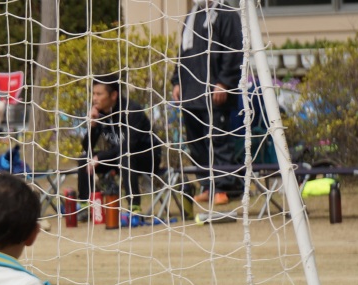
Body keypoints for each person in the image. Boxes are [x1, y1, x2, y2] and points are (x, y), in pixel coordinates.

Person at [172, 0, 244, 206]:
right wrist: (177, 81)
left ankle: (224, 187)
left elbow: (234, 51)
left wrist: (224, 82)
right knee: (196, 144)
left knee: (218, 141)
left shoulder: (227, 14)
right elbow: (183, 53)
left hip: (215, 93)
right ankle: (207, 185)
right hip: (191, 94)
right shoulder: (192, 15)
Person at [76, 73, 164, 220]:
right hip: (119, 156)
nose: (94, 98)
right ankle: (85, 206)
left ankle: (134, 208)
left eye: (99, 94)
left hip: (147, 157)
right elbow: (87, 147)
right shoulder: (100, 113)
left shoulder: (132, 111)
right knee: (85, 159)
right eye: (93, 94)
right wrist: (93, 126)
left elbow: (129, 145)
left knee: (125, 157)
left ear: (113, 95)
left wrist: (101, 157)